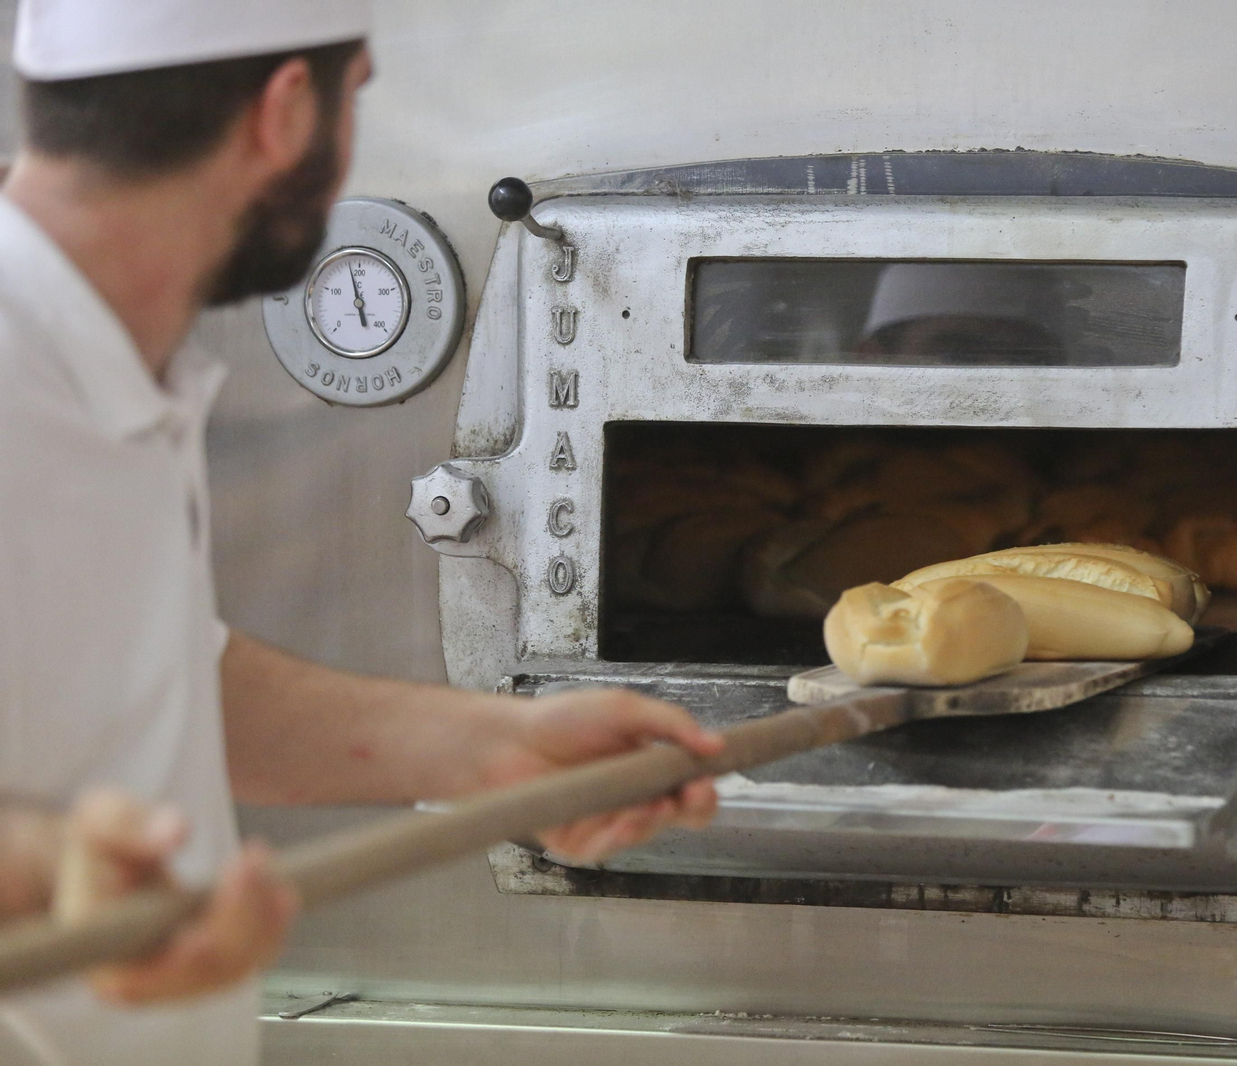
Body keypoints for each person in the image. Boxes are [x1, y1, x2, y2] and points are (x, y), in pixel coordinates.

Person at [0, 2, 722, 1063]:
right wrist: (39, 873)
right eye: (359, 93)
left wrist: (498, 749)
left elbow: (153, 679)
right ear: (287, 112)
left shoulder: (101, 360)